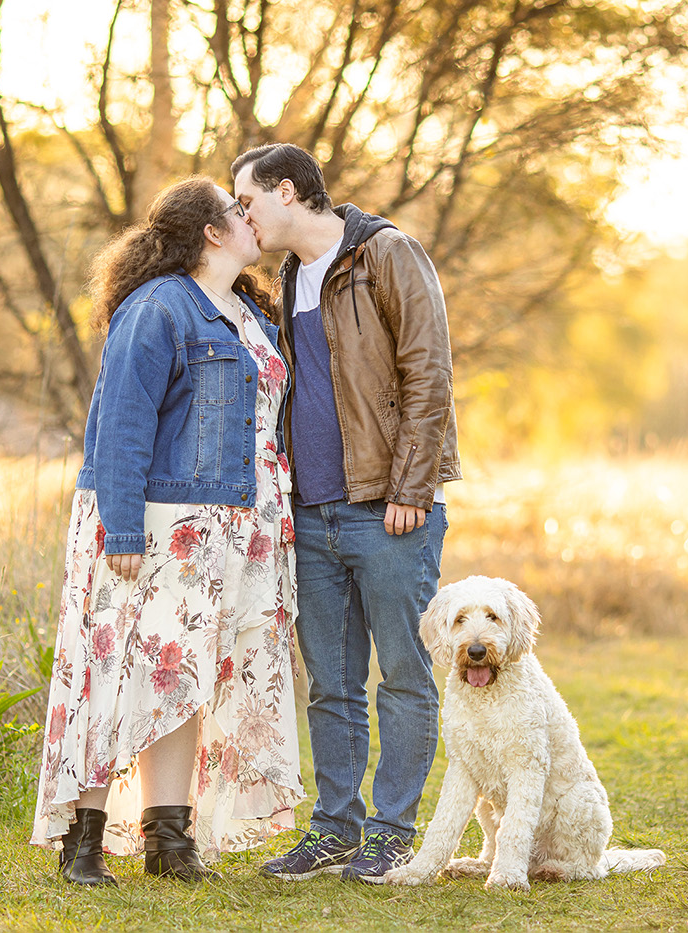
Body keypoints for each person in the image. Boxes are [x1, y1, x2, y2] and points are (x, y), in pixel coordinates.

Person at [30, 177, 303, 885]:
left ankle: (169, 840)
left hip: (234, 532)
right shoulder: (156, 309)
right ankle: (82, 842)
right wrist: (120, 529)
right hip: (156, 525)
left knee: (183, 680)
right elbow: (120, 425)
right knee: (116, 674)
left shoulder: (244, 311)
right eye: (239, 212)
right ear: (213, 233)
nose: (252, 222)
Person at [230, 144, 460, 883]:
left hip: (387, 511)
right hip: (313, 515)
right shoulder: (290, 276)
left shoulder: (387, 253)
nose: (242, 216)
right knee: (329, 681)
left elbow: (428, 370)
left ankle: (392, 831)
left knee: (402, 675)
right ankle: (334, 827)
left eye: (248, 201)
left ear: (288, 192)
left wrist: (410, 488)